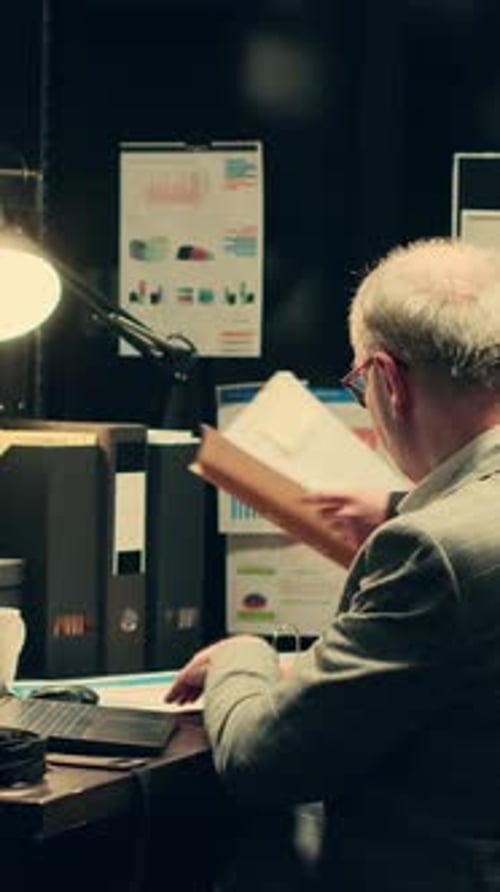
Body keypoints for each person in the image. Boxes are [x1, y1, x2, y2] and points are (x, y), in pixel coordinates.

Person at [167, 237, 500, 891]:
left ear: (387, 380)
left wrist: (243, 656)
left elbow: (263, 760)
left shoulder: (429, 551)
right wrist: (402, 504)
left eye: (357, 385)